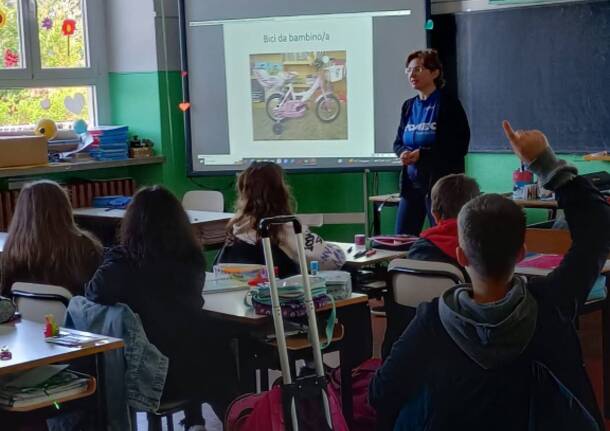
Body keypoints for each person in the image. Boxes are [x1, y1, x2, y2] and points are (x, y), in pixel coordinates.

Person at [370, 121, 610, 430]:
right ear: (522, 252)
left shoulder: (432, 322)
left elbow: (381, 395)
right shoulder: (553, 304)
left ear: (460, 254)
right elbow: (598, 228)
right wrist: (545, 162)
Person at [85, 186, 237, 431]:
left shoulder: (123, 266)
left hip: (145, 375)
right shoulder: (192, 260)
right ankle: (233, 418)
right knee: (217, 347)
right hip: (193, 371)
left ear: (131, 224)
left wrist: (114, 255)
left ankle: (198, 420)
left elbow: (93, 292)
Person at [381, 174, 480, 359]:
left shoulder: (416, 252)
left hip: (408, 355)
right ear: (477, 211)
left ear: (433, 213)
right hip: (460, 355)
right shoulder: (479, 252)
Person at [218, 161, 346, 276]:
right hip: (286, 294)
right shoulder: (285, 227)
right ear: (280, 191)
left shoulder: (236, 227)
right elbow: (333, 261)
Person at [394, 49, 470, 235]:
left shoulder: (448, 104)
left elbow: (459, 146)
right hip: (412, 187)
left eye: (418, 69)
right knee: (401, 240)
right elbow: (398, 142)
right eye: (409, 70)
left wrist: (423, 155)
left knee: (445, 240)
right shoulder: (409, 106)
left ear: (435, 72)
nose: (412, 74)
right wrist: (403, 152)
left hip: (441, 188)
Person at [0, 180, 103, 297]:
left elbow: (6, 296)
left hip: (26, 315)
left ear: (21, 213)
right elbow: (97, 294)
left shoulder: (12, 249)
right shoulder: (85, 245)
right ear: (64, 208)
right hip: (71, 314)